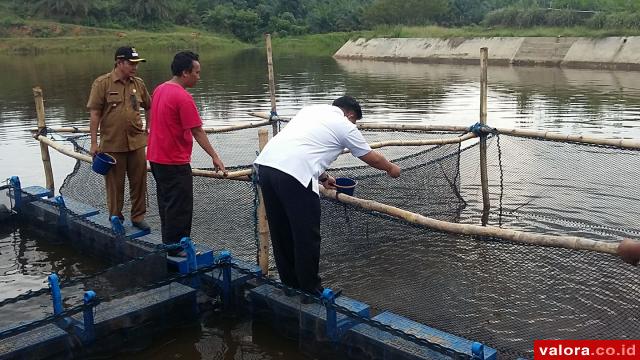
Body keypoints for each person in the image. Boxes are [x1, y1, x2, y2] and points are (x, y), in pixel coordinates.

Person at [254, 96, 401, 297]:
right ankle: (309, 290)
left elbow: (302, 146)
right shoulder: (344, 124)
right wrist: (391, 168)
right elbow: (369, 156)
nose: (354, 125)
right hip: (295, 174)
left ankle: (290, 285)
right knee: (306, 235)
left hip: (267, 168)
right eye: (354, 121)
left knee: (282, 231)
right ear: (350, 114)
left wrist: (323, 177)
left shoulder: (311, 111)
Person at [147, 51, 226, 256]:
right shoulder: (182, 97)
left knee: (166, 202)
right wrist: (214, 156)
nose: (199, 77)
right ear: (185, 73)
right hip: (173, 160)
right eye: (196, 73)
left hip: (156, 158)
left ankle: (169, 243)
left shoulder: (159, 89)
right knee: (180, 206)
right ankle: (177, 248)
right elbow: (197, 130)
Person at [87, 46, 151, 230]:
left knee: (139, 181)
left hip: (137, 142)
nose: (135, 67)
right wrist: (93, 143)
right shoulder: (102, 83)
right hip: (112, 144)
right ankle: (116, 217)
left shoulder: (138, 84)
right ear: (119, 62)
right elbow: (95, 114)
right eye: (131, 63)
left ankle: (138, 217)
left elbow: (149, 106)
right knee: (115, 185)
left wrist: (149, 128)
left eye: (136, 64)